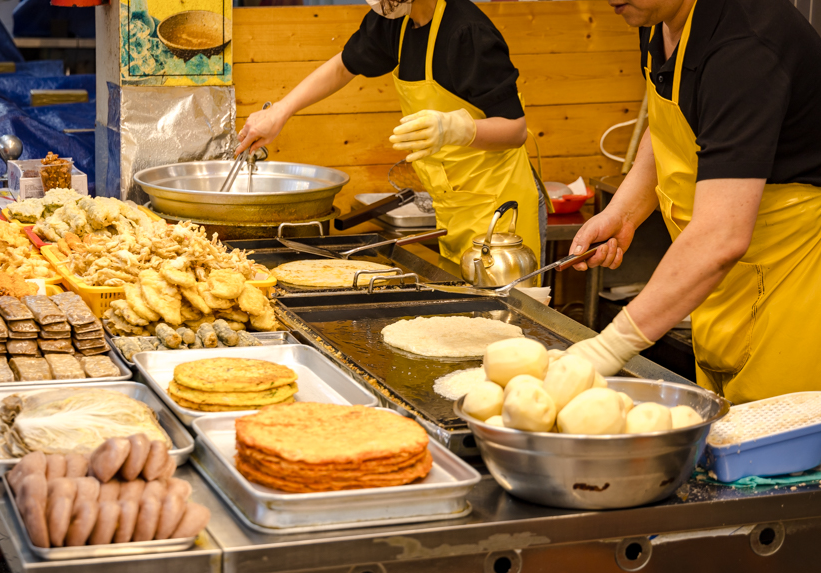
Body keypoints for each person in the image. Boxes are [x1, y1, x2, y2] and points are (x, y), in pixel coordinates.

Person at [567, 0, 821, 403]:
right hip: (725, 287)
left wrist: (608, 347)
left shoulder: (746, 46)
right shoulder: (657, 17)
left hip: (796, 290)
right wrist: (624, 212)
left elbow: (721, 236)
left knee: (784, 456)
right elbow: (672, 125)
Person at [234, 0, 545, 264]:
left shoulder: (467, 32)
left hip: (501, 212)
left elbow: (515, 129)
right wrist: (280, 111)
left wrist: (455, 128)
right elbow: (344, 65)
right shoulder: (396, 21)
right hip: (454, 205)